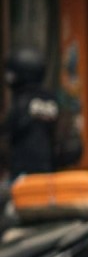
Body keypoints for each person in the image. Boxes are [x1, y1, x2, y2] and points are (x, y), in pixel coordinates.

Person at [1, 47, 60, 178]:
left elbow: (8, 130)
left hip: (23, 173)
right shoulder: (50, 99)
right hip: (49, 172)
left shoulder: (23, 101)